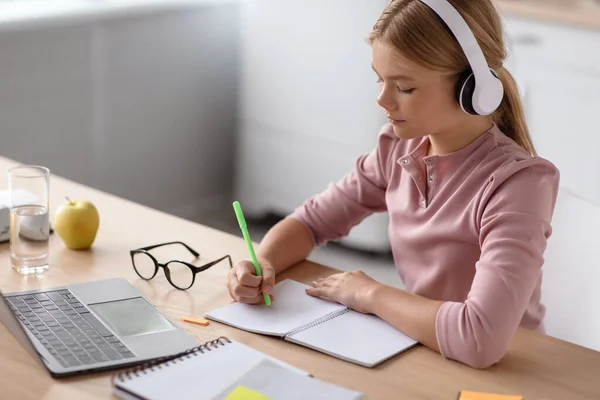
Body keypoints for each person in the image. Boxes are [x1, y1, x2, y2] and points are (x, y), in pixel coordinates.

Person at [226, 0, 559, 369]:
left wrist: (369, 293)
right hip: (422, 348)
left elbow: (480, 338)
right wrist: (261, 266)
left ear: (473, 87)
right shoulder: (395, 149)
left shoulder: (519, 184)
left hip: (505, 371)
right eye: (379, 79)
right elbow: (311, 222)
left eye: (404, 87)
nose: (382, 99)